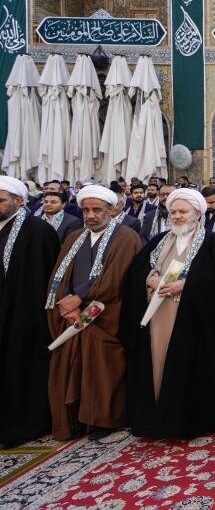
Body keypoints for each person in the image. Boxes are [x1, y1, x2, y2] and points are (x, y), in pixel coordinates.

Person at [121, 188, 215, 438]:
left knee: (188, 368)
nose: (177, 216)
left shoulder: (212, 243)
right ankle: (157, 418)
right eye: (173, 212)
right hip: (158, 317)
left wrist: (186, 285)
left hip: (194, 320)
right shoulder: (159, 241)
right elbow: (137, 270)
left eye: (183, 212)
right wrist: (151, 279)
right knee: (157, 364)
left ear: (197, 213)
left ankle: (188, 420)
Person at [46, 184, 143, 440]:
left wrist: (80, 299)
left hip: (108, 315)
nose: (90, 215)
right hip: (72, 315)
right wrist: (67, 304)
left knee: (100, 363)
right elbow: (59, 276)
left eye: (97, 210)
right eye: (86, 210)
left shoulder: (126, 237)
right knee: (68, 361)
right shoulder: (74, 237)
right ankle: (75, 419)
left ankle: (102, 419)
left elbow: (116, 278)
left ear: (112, 209)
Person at [0, 177, 60, 448]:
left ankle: (25, 425)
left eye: (1, 200)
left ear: (18, 201)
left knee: (21, 368)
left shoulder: (38, 231)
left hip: (26, 315)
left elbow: (46, 278)